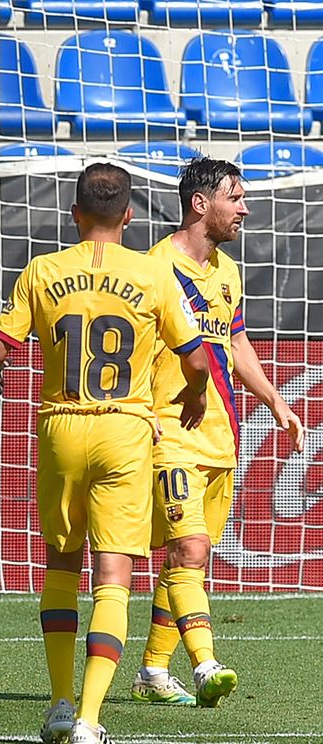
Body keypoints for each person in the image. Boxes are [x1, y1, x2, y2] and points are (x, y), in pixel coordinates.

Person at [0, 163, 211, 744]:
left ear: (75, 214)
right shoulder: (154, 275)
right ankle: (88, 718)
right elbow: (198, 359)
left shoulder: (42, 270)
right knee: (113, 574)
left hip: (60, 429)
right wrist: (198, 393)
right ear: (129, 215)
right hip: (124, 431)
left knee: (61, 566)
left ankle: (58, 701)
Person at [130, 158, 305, 708]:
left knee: (186, 560)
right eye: (235, 197)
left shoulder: (227, 272)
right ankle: (205, 664)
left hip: (220, 439)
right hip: (170, 434)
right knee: (191, 547)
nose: (245, 208)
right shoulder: (153, 268)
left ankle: (153, 672)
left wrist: (276, 402)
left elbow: (236, 343)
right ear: (200, 203)